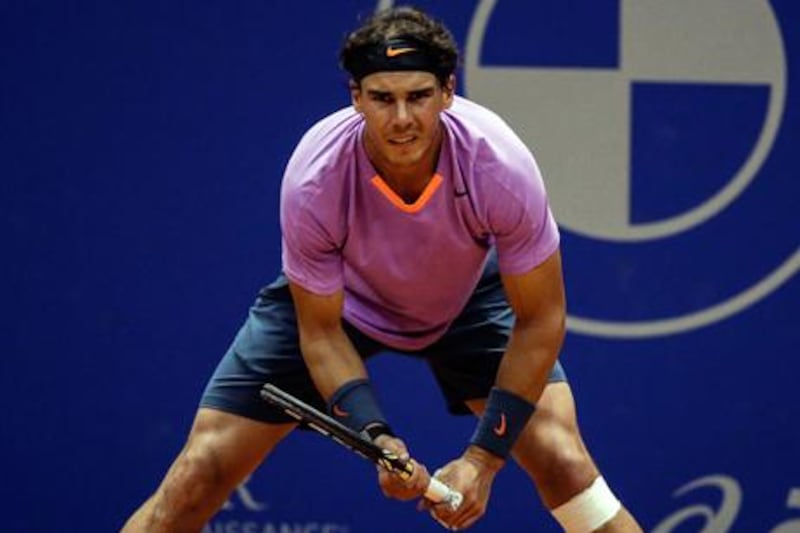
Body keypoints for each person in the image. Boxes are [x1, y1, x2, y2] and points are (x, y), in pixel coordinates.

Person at [123, 6, 642, 532]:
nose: (401, 120)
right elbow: (321, 332)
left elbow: (542, 319)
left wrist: (482, 461)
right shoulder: (314, 180)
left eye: (418, 96)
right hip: (339, 301)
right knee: (199, 471)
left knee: (562, 458)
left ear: (447, 92)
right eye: (382, 98)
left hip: (464, 294)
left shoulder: (499, 166)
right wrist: (377, 437)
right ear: (356, 98)